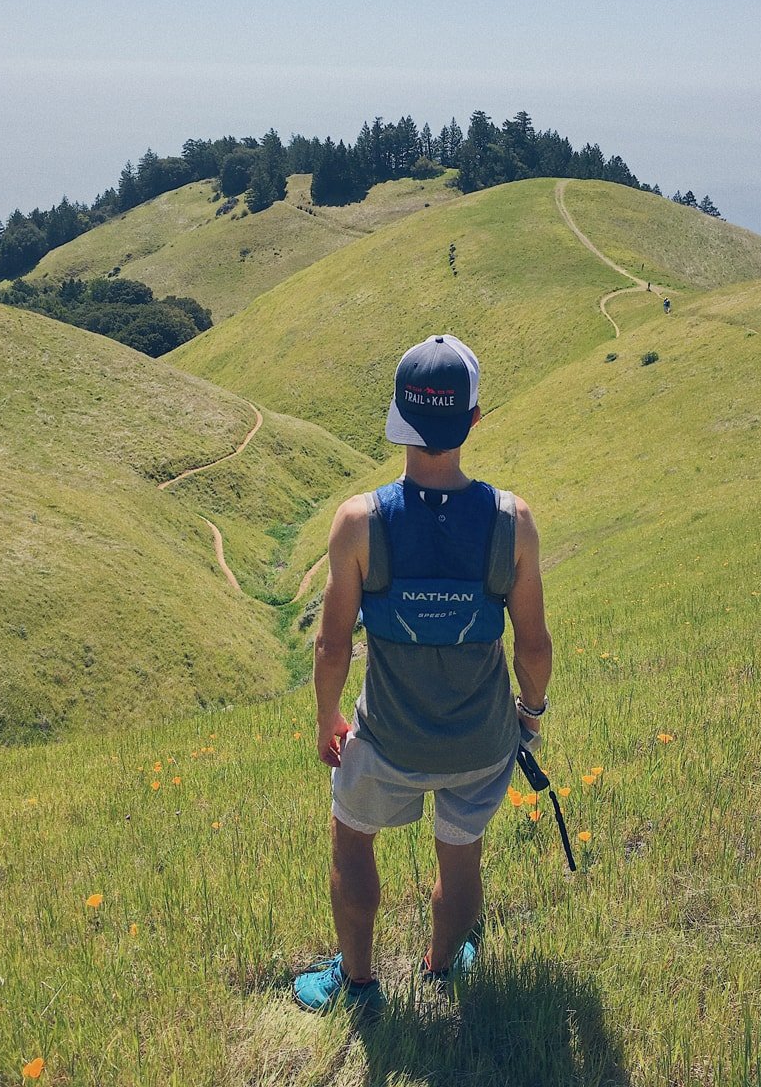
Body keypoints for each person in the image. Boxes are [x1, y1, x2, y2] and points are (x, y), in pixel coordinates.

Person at [294, 334, 552, 1012]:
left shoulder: (359, 522)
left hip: (386, 742)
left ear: (400, 418)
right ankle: (441, 969)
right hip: (482, 743)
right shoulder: (513, 521)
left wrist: (329, 720)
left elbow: (331, 647)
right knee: (460, 857)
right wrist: (530, 714)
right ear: (472, 419)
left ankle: (357, 984)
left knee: (352, 844)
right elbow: (533, 647)